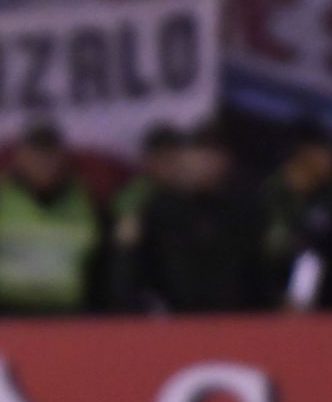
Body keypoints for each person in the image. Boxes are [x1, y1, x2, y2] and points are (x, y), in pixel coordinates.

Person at [0, 123, 103, 318]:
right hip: (3, 315)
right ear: (20, 158)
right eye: (35, 159)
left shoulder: (84, 202)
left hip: (68, 318)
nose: (43, 167)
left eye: (49, 159)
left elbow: (102, 263)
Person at [110, 125, 266, 313]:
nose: (206, 163)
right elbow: (138, 272)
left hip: (235, 319)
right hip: (176, 320)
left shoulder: (245, 209)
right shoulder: (160, 209)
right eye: (201, 155)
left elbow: (255, 269)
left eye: (214, 155)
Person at [258, 119, 332, 310]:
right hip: (267, 305)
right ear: (303, 153)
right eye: (325, 151)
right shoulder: (269, 195)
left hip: (329, 304)